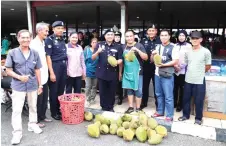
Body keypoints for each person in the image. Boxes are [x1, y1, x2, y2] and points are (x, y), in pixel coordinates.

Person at [5, 29, 43, 145]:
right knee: (17, 110)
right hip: (18, 85)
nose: (26, 40)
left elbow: (37, 70)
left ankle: (32, 124)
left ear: (30, 39)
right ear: (18, 38)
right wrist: (19, 77)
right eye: (23, 37)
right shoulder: (12, 53)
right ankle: (17, 133)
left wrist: (40, 84)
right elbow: (8, 70)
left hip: (32, 84)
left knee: (33, 107)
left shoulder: (35, 53)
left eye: (28, 37)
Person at [178, 31, 211, 125]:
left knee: (199, 100)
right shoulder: (187, 51)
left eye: (197, 38)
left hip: (199, 80)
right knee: (186, 99)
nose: (194, 40)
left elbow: (208, 66)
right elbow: (185, 63)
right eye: (193, 38)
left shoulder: (206, 51)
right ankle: (185, 115)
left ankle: (198, 118)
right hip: (188, 79)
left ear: (201, 39)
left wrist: (199, 72)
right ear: (190, 40)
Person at [151, 29, 179, 121]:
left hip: (167, 74)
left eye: (165, 35)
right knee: (158, 94)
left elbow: (175, 61)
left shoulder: (173, 47)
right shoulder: (158, 47)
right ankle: (160, 111)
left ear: (169, 36)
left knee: (168, 96)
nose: (163, 37)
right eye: (162, 35)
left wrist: (163, 65)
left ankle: (169, 115)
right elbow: (152, 60)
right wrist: (152, 54)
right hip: (157, 74)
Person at [92, 28, 123, 112]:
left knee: (112, 91)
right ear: (105, 36)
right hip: (101, 72)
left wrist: (116, 62)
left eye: (111, 35)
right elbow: (93, 58)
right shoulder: (99, 45)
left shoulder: (118, 47)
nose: (110, 36)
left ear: (114, 36)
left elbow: (121, 59)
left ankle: (110, 107)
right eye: (108, 34)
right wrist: (98, 52)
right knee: (102, 91)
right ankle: (103, 107)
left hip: (113, 73)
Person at [30, 22, 52, 128]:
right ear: (39, 31)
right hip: (37, 77)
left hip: (44, 76)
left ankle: (42, 116)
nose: (47, 33)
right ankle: (36, 120)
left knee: (44, 98)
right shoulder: (33, 44)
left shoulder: (42, 42)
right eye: (46, 31)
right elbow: (33, 63)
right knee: (38, 100)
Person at [45, 21, 67, 120]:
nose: (60, 30)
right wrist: (52, 73)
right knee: (54, 90)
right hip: (54, 66)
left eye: (62, 28)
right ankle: (54, 112)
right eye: (58, 28)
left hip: (63, 66)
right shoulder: (49, 40)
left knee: (61, 90)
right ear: (53, 29)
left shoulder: (62, 39)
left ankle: (59, 109)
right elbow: (48, 57)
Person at [122, 30, 148, 113]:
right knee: (129, 90)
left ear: (134, 37)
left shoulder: (139, 45)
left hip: (137, 72)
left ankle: (138, 108)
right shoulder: (123, 47)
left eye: (130, 36)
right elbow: (122, 61)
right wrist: (120, 72)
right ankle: (130, 107)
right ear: (125, 38)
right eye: (127, 36)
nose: (129, 38)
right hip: (127, 71)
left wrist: (138, 50)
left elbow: (146, 58)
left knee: (138, 91)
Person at [140, 24, 161, 110]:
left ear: (156, 31)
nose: (151, 32)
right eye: (150, 31)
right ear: (147, 32)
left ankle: (158, 104)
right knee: (144, 86)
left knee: (157, 87)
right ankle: (144, 102)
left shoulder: (160, 41)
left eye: (153, 30)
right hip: (145, 67)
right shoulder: (143, 41)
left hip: (157, 67)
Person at [173, 30, 192, 112]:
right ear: (177, 36)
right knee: (174, 88)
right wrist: (174, 65)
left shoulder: (189, 46)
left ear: (186, 37)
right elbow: (172, 57)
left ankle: (179, 105)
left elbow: (189, 58)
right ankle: (174, 102)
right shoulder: (175, 45)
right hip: (174, 70)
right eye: (180, 35)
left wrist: (180, 66)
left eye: (183, 35)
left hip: (184, 71)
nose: (181, 37)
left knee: (182, 89)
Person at [84, 38, 98, 106]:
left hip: (96, 71)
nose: (95, 44)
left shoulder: (99, 51)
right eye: (93, 42)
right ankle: (87, 99)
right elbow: (83, 60)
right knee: (88, 86)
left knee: (94, 86)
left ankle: (92, 98)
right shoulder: (87, 50)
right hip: (88, 70)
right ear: (91, 43)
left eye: (96, 42)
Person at [114, 31, 124, 105]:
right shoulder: (111, 45)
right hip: (112, 67)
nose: (117, 38)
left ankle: (120, 97)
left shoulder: (122, 46)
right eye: (116, 37)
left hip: (120, 66)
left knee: (119, 83)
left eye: (118, 37)